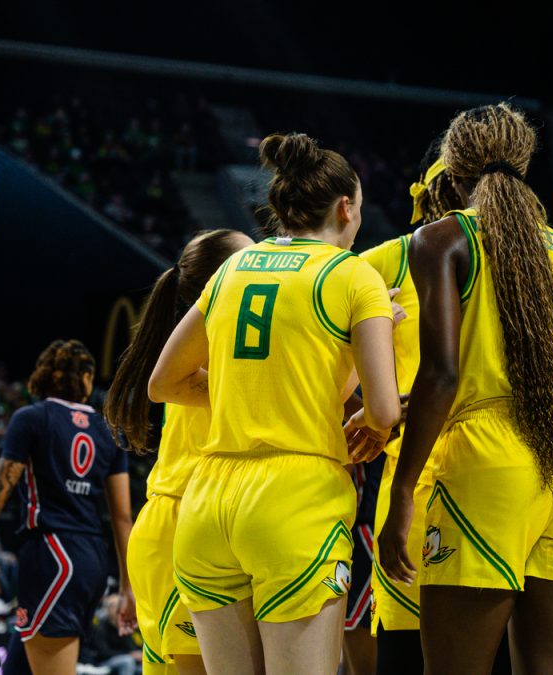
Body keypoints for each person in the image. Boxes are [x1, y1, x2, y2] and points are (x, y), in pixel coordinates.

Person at [148, 131, 400, 675]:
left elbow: (164, 383)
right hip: (295, 498)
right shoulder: (355, 275)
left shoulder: (233, 270)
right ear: (345, 207)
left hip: (209, 499)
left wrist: (256, 389)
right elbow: (383, 411)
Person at [377, 103, 553, 674]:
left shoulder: (441, 239)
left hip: (486, 462)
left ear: (451, 173)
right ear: (524, 166)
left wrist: (404, 489)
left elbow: (442, 375)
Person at [361, 138, 518, 675]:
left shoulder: (507, 255)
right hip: (441, 465)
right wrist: (369, 400)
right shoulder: (401, 254)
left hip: (461, 464)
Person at [0, 340, 135, 675]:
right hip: (92, 558)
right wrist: (127, 586)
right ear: (88, 379)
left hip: (52, 554)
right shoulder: (108, 427)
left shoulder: (32, 417)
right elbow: (121, 517)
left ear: (44, 376)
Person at [104, 228, 253, 675]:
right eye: (249, 257)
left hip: (198, 520)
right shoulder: (210, 345)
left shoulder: (215, 338)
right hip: (179, 524)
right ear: (223, 278)